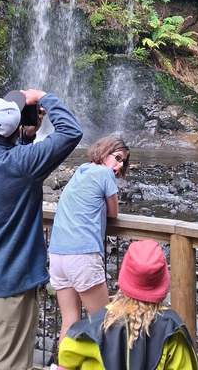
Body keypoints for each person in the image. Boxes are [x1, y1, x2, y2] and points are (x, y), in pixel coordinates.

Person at [0, 89, 83, 370]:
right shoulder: (24, 164)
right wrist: (45, 97)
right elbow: (71, 131)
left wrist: (26, 136)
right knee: (12, 364)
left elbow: (10, 164)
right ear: (15, 129)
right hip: (12, 284)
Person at [57, 239, 198, 370]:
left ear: (124, 277)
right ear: (163, 282)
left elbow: (66, 357)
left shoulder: (92, 328)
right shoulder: (172, 331)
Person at [48, 136, 129, 353]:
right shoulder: (104, 174)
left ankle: (62, 367)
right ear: (104, 152)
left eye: (124, 163)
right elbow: (114, 212)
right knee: (104, 322)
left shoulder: (82, 170)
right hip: (82, 255)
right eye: (118, 158)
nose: (120, 166)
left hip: (57, 255)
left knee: (70, 322)